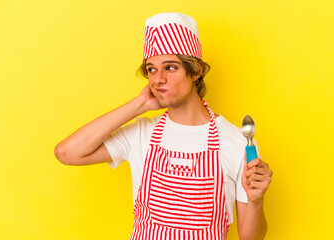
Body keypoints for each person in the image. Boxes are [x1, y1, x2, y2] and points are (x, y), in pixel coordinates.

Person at [54, 12, 273, 240]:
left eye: (170, 67)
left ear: (197, 70)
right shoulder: (140, 133)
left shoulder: (238, 142)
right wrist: (140, 104)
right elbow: (67, 153)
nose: (158, 79)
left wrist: (257, 200)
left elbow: (251, 238)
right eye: (151, 69)